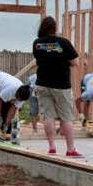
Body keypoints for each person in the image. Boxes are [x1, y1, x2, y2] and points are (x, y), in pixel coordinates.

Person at [33, 16, 82, 157]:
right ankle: (70, 149)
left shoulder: (37, 44)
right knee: (66, 117)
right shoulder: (63, 42)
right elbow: (75, 63)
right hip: (61, 85)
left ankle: (52, 147)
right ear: (54, 28)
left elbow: (40, 59)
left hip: (42, 83)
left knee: (48, 116)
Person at [0, 69, 31, 141]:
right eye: (18, 98)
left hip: (2, 85)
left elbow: (13, 110)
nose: (18, 100)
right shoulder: (11, 88)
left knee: (6, 107)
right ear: (17, 93)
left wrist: (6, 123)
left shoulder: (23, 95)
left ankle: (6, 131)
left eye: (20, 100)